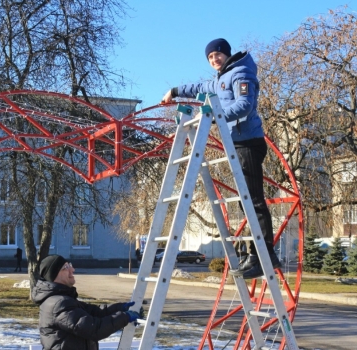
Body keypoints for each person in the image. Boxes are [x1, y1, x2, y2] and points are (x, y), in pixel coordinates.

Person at [161, 38, 281, 279]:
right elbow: (197, 88)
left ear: (226, 54)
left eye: (217, 55)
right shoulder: (219, 80)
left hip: (248, 141)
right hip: (235, 142)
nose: (214, 60)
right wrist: (174, 91)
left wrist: (213, 116)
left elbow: (245, 106)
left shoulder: (241, 73)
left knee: (254, 199)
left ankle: (265, 255)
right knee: (243, 201)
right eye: (210, 58)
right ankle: (252, 253)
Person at [33, 254, 140, 350]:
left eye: (69, 265)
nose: (72, 269)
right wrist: (124, 317)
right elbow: (94, 329)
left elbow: (95, 312)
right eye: (65, 268)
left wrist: (121, 308)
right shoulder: (58, 303)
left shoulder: (63, 299)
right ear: (54, 276)